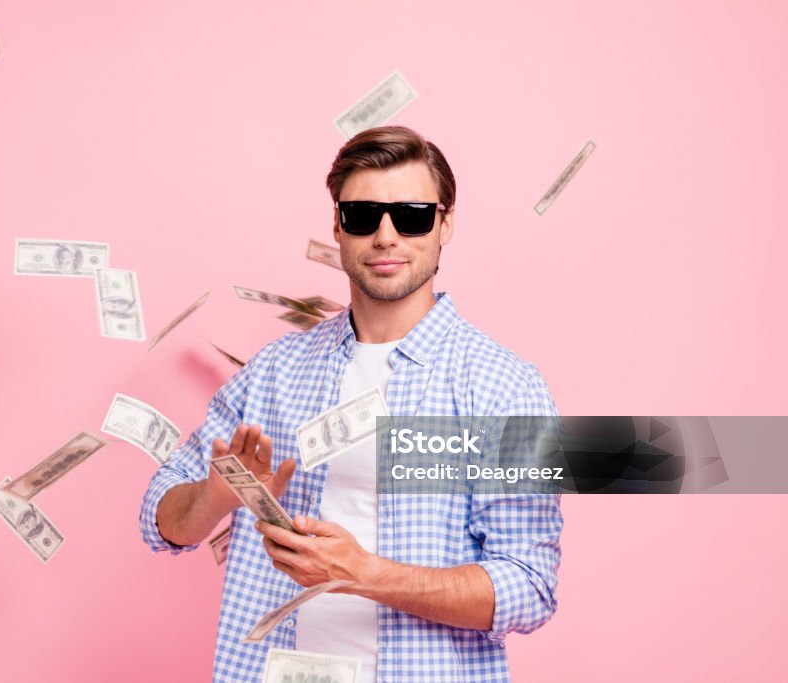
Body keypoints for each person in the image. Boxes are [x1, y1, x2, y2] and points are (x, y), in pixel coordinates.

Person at [139, 125, 562, 682]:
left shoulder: (503, 387)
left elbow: (528, 586)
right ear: (337, 226)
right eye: (363, 215)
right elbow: (160, 522)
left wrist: (363, 573)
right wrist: (215, 498)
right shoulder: (276, 371)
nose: (386, 236)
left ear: (446, 223)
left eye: (411, 215)